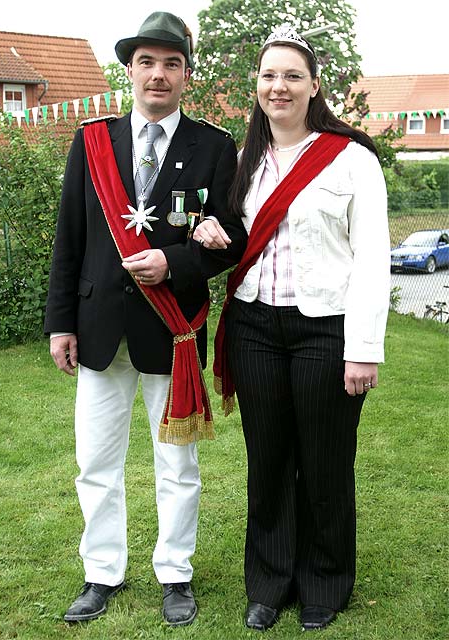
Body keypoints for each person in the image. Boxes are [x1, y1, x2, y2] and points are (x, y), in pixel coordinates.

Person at [44, 11, 246, 627]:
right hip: (100, 327)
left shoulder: (214, 146)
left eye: (172, 63)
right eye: (147, 62)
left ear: (186, 73)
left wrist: (178, 262)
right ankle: (102, 571)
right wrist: (60, 324)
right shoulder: (93, 140)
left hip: (173, 328)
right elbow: (70, 237)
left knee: (176, 464)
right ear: (129, 70)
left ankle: (174, 572)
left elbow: (231, 237)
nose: (158, 75)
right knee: (96, 461)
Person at [194, 23, 390, 633]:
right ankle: (269, 582)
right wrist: (208, 229)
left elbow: (373, 259)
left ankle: (325, 583)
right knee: (269, 459)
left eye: (291, 76)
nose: (278, 87)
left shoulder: (352, 158)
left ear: (313, 85)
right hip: (253, 323)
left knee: (325, 460)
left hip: (324, 328)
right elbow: (232, 229)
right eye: (268, 75)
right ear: (256, 85)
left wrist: (362, 350)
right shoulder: (244, 158)